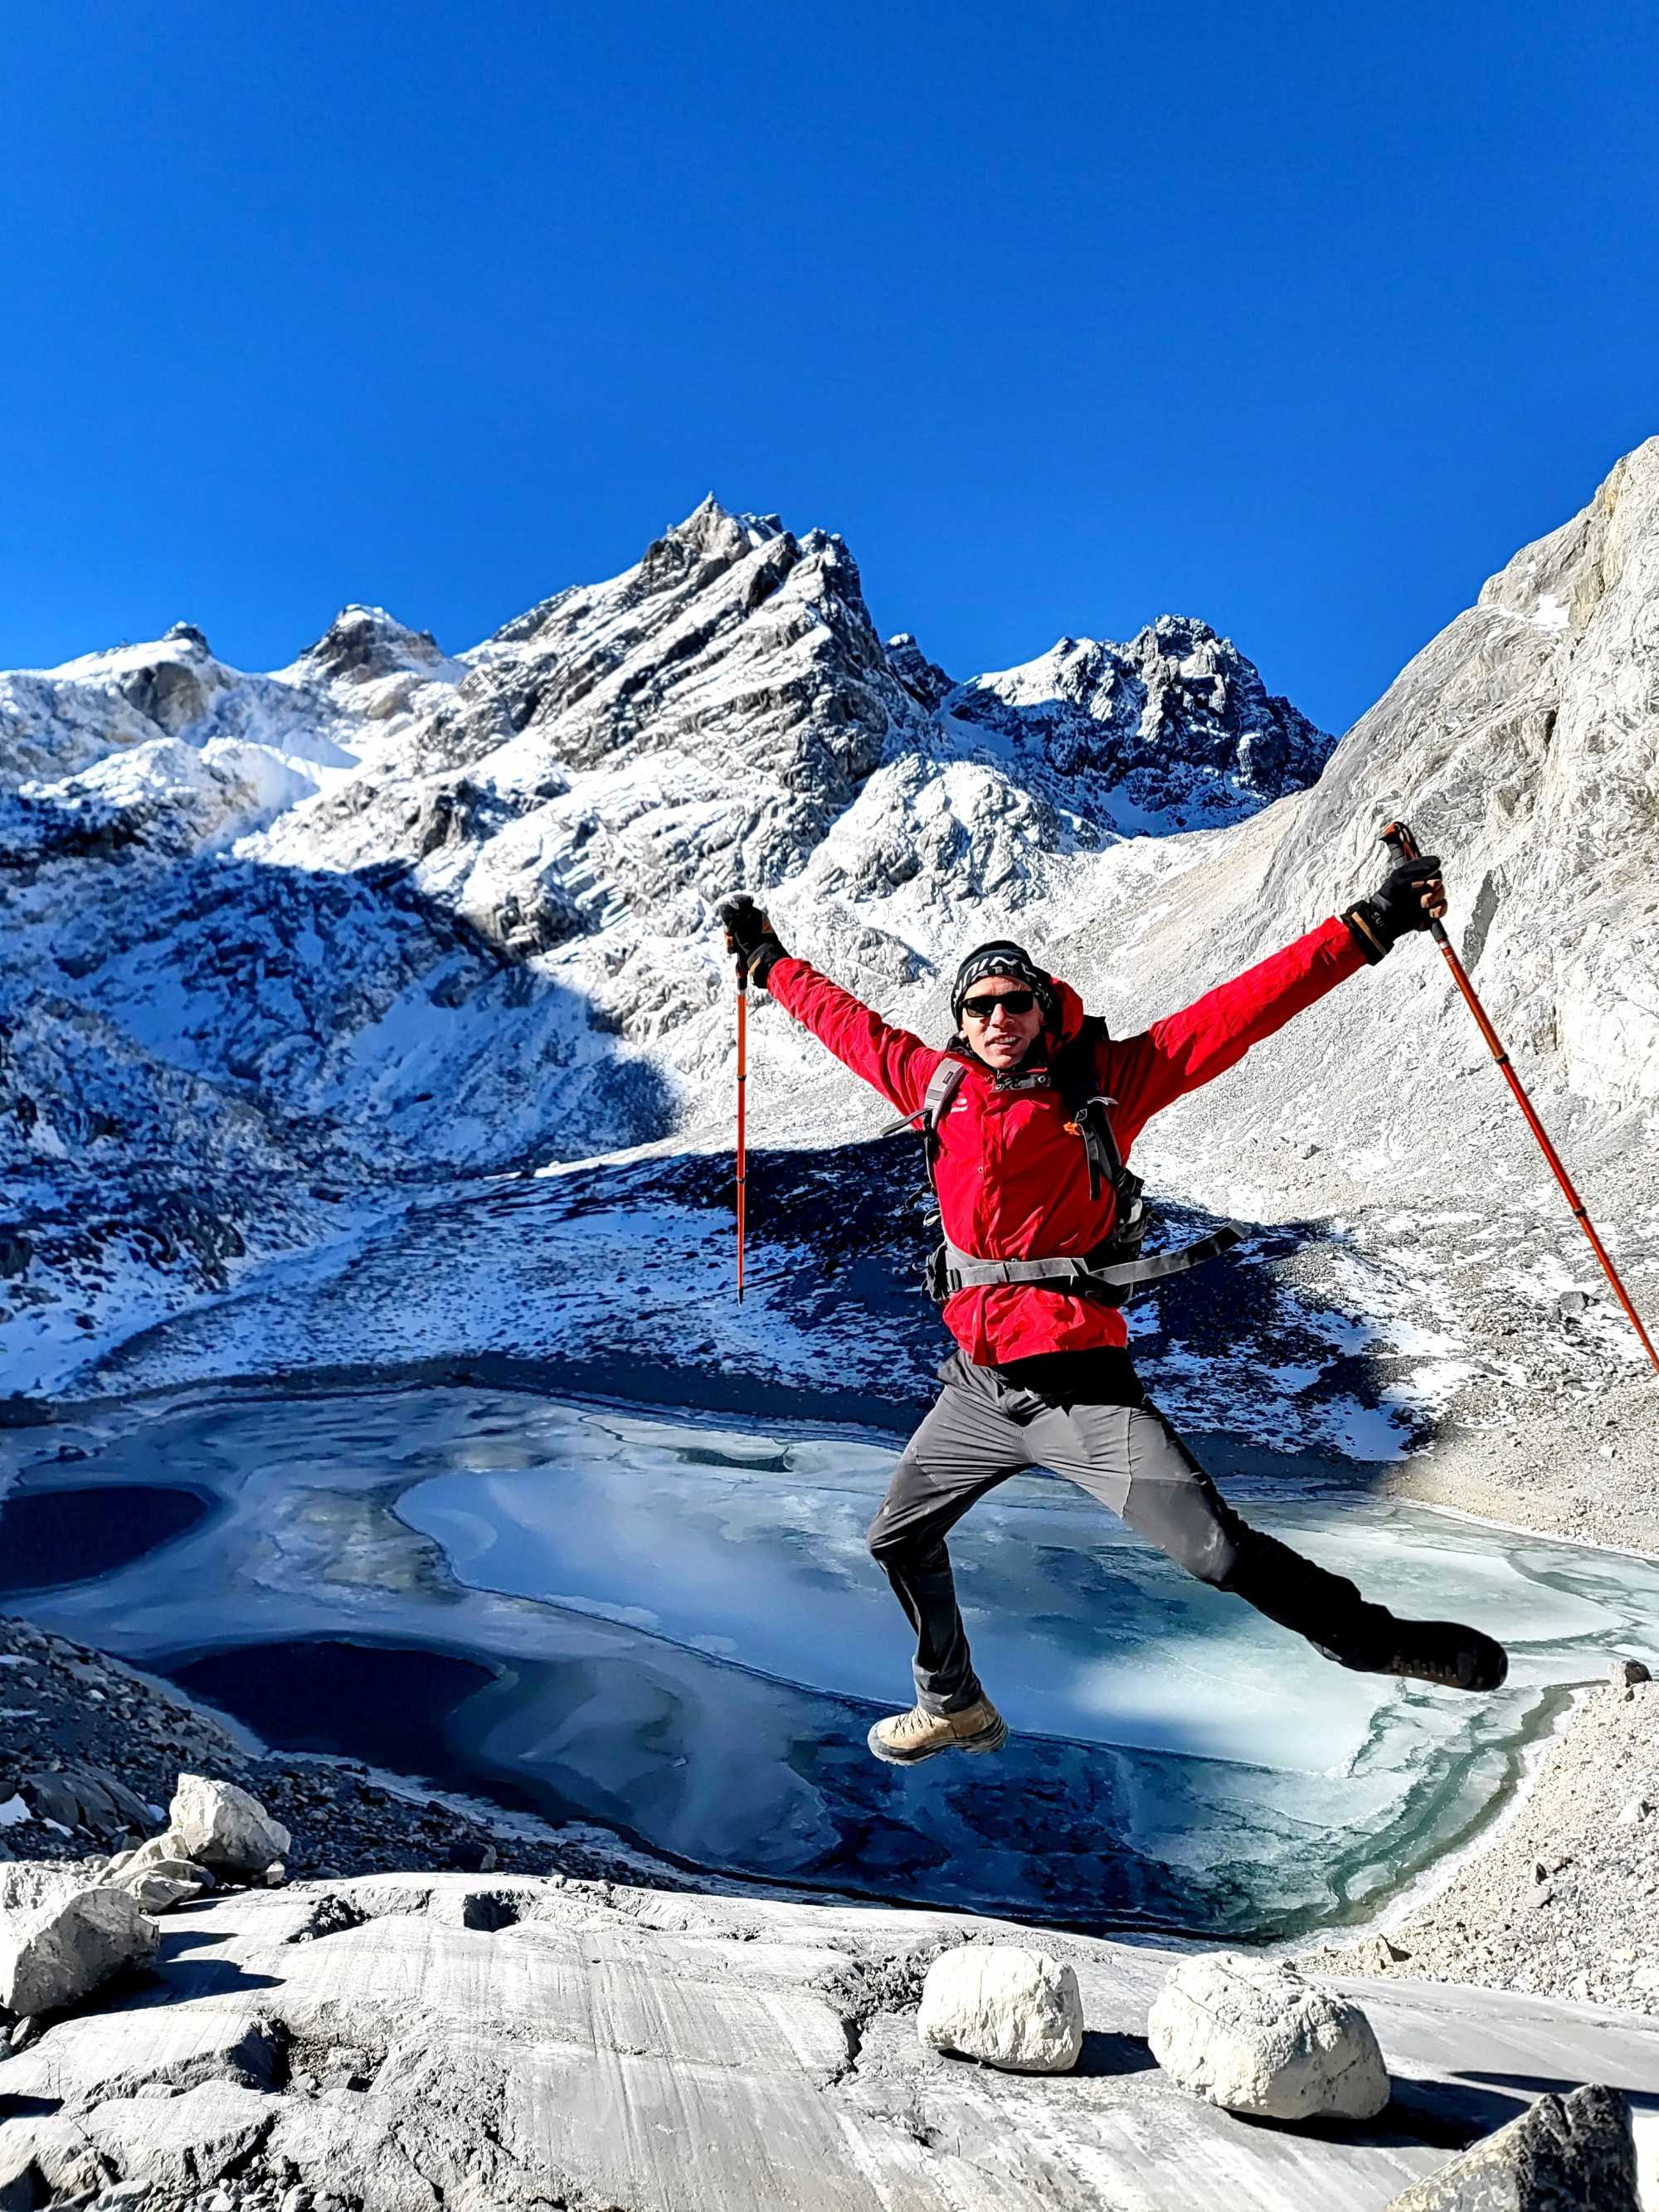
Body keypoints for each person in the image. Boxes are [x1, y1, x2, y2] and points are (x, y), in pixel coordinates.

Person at [720, 853, 1509, 1767]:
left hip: (1079, 1395)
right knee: (896, 1536)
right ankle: (954, 1704)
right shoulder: (933, 1087)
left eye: (1013, 1001)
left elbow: (1239, 1013)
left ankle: (1371, 1643)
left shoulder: (1107, 1085)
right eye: (977, 1008)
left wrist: (1364, 927)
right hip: (975, 1393)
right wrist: (769, 963)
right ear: (961, 1025)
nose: (996, 1019)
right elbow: (843, 1024)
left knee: (1213, 1554)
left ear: (1044, 1007)